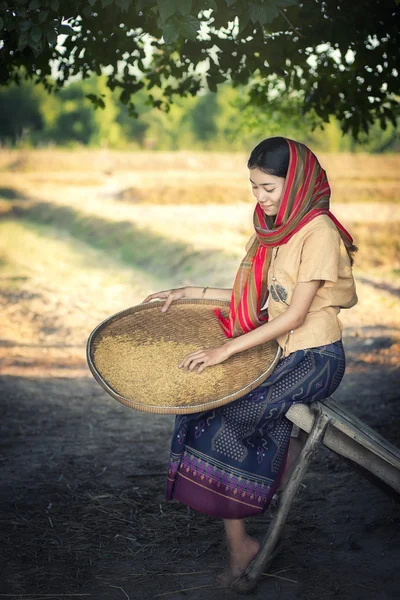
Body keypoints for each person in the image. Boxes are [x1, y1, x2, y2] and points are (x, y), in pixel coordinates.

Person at [142, 136, 358, 585]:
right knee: (204, 404)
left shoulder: (318, 231)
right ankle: (257, 508)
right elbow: (257, 297)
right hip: (284, 355)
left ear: (295, 184)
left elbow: (296, 314)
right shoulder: (276, 231)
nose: (259, 198)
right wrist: (189, 293)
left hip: (314, 358)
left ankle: (246, 530)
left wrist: (226, 349)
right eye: (254, 187)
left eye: (268, 188)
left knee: (232, 416)